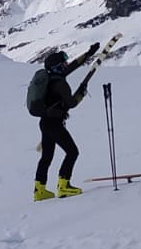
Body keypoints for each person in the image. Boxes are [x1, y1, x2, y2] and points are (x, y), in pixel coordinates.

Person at [30, 42, 98, 201]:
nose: (66, 64)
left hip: (45, 123)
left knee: (46, 157)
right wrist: (81, 90)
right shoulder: (60, 83)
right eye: (63, 63)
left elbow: (72, 66)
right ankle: (64, 186)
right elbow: (71, 103)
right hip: (54, 124)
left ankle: (39, 191)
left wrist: (88, 54)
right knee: (72, 152)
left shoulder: (52, 77)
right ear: (58, 67)